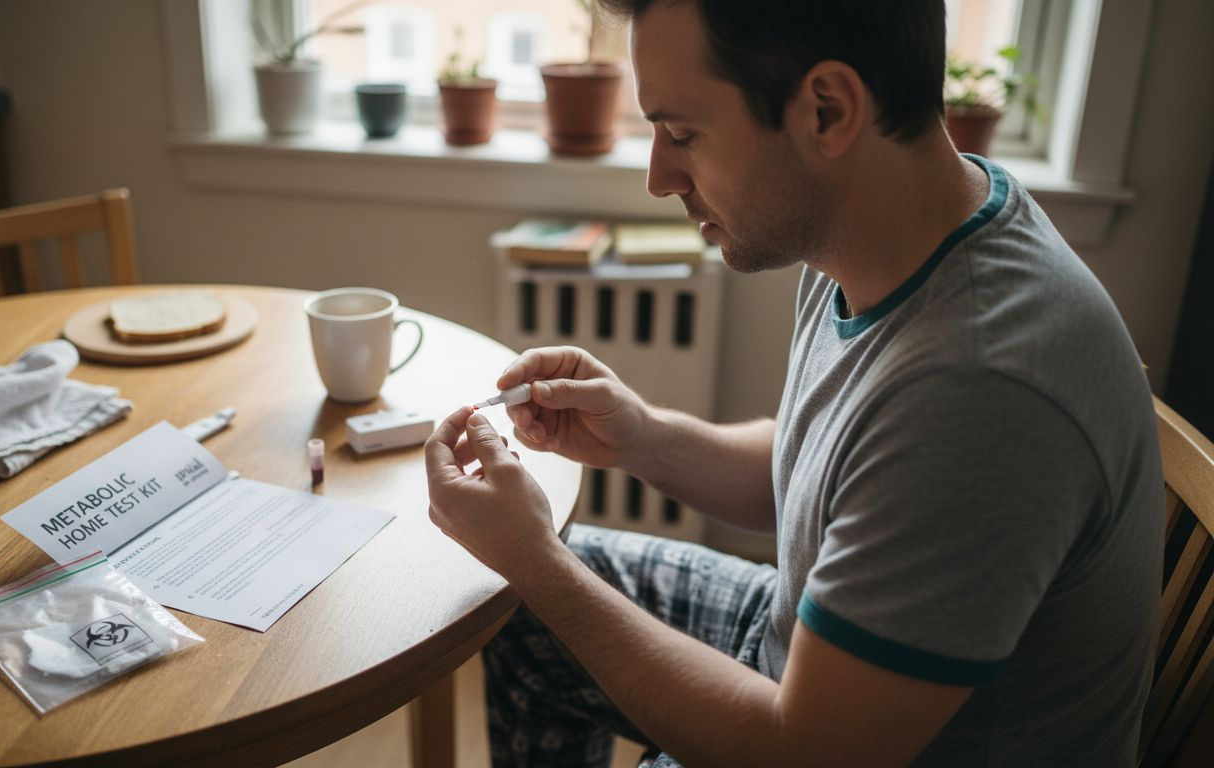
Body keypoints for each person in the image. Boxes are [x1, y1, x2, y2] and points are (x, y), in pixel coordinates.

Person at [423, 0, 1163, 765]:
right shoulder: (894, 230)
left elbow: (799, 752)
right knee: (515, 607)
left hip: (809, 734)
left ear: (827, 109)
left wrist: (538, 561)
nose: (657, 175)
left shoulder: (981, 392)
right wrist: (644, 436)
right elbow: (836, 471)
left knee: (539, 584)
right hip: (802, 656)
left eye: (682, 134)